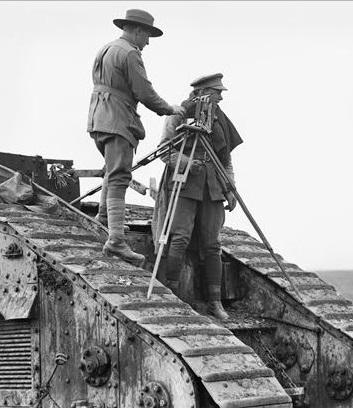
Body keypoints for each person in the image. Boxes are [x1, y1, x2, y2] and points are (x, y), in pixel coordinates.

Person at [87, 9, 185, 266]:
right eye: (148, 35)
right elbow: (143, 91)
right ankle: (116, 241)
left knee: (112, 169)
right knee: (120, 175)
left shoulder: (107, 48)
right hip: (119, 119)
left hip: (99, 118)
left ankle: (105, 217)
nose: (148, 42)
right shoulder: (130, 53)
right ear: (138, 31)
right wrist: (169, 109)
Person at [152, 73, 243, 320]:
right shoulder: (178, 114)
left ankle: (215, 302)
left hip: (212, 187)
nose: (221, 97)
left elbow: (226, 160)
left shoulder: (219, 119)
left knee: (213, 244)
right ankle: (172, 293)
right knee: (179, 238)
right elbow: (163, 151)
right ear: (203, 93)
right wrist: (187, 163)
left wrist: (230, 187)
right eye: (217, 93)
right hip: (183, 185)